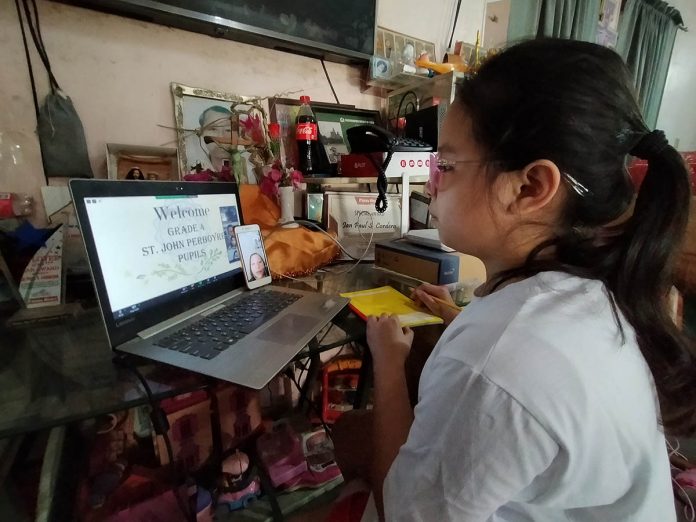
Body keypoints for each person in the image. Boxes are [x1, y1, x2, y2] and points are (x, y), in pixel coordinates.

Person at [362, 38, 695, 522]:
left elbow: (402, 515)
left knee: (354, 436)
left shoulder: (497, 361)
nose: (433, 181)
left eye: (449, 164)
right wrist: (461, 317)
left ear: (531, 187)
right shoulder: (596, 287)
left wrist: (388, 363)